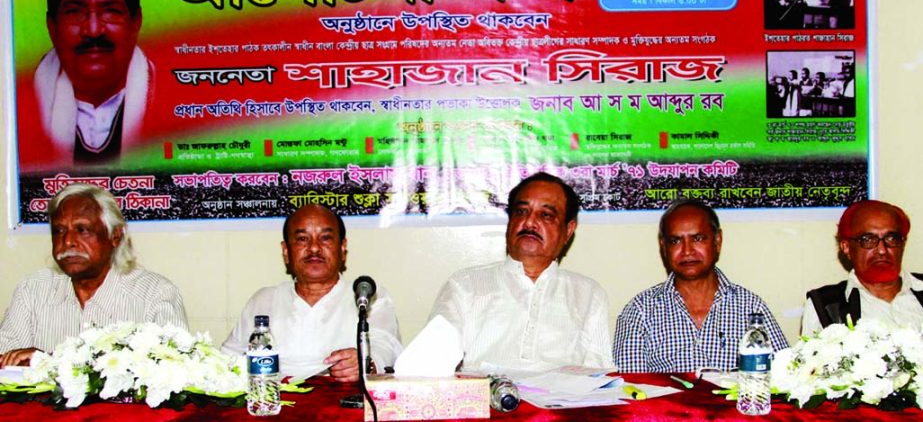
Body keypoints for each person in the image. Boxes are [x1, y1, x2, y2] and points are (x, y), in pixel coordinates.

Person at [429, 172, 613, 372]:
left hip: (563, 402)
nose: (529, 223)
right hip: (484, 400)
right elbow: (432, 364)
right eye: (521, 212)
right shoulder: (465, 285)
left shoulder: (588, 294)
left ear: (568, 231)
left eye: (546, 215)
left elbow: (599, 376)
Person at [0, 183, 188, 367]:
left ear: (115, 236)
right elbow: (6, 357)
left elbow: (173, 371)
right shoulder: (33, 290)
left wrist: (50, 364)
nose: (68, 242)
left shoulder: (154, 294)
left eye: (82, 230)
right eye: (59, 231)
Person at [222, 204, 402, 382]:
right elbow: (227, 358)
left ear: (342, 248)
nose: (314, 248)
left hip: (342, 405)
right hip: (273, 405)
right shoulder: (264, 299)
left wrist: (366, 363)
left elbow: (386, 346)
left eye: (325, 238)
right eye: (302, 239)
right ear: (286, 251)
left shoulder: (366, 295)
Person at [612, 199, 787, 373]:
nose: (687, 251)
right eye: (675, 241)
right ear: (663, 247)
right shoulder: (640, 311)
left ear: (717, 241)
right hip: (665, 402)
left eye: (698, 238)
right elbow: (630, 391)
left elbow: (785, 377)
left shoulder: (750, 308)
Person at [34, 0, 152, 164]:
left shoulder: (168, 98)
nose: (93, 29)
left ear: (136, 22)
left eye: (110, 11)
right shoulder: (20, 103)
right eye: (75, 12)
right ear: (52, 26)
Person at [802, 200, 923, 334]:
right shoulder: (826, 305)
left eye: (891, 238)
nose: (882, 250)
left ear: (903, 244)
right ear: (846, 247)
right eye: (868, 240)